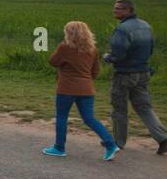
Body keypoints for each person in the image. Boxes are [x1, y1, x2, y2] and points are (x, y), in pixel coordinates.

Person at [44, 21, 120, 160]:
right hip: (87, 88)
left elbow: (53, 61)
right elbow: (95, 71)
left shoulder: (65, 47)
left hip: (66, 88)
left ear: (69, 33)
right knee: (89, 118)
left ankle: (59, 148)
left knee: (62, 117)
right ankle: (110, 144)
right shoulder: (92, 49)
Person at [105, 0, 167, 154]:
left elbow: (118, 54)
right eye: (114, 8)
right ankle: (162, 138)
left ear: (129, 10)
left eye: (118, 9)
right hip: (143, 72)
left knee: (119, 109)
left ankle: (118, 142)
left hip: (124, 74)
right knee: (144, 108)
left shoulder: (122, 30)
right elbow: (151, 50)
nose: (114, 11)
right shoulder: (146, 26)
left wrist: (108, 57)